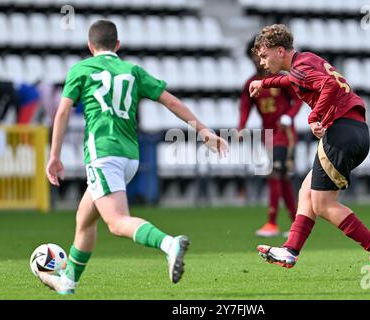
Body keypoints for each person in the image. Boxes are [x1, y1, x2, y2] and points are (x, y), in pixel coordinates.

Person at [38, 20, 228, 295]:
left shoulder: (81, 69)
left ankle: (168, 243)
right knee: (85, 218)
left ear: (90, 46)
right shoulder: (132, 71)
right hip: (130, 157)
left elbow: (62, 112)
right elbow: (172, 101)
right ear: (118, 45)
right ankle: (69, 281)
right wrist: (204, 130)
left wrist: (54, 155)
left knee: (116, 223)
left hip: (103, 154)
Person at [249, 24, 370, 279]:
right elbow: (293, 80)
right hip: (356, 131)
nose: (261, 61)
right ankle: (290, 250)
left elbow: (329, 85)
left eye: (263, 55)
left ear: (279, 51)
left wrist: (314, 116)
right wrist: (265, 82)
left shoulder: (300, 68)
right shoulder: (306, 60)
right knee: (307, 191)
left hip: (341, 133)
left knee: (323, 204)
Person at [238, 38, 302, 237]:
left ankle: (272, 223)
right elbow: (245, 107)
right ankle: (296, 223)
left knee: (275, 173)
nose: (257, 60)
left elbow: (299, 99)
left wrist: (288, 116)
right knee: (282, 178)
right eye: (253, 56)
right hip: (267, 136)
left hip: (284, 135)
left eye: (260, 55)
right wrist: (241, 127)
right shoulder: (250, 83)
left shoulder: (281, 78)